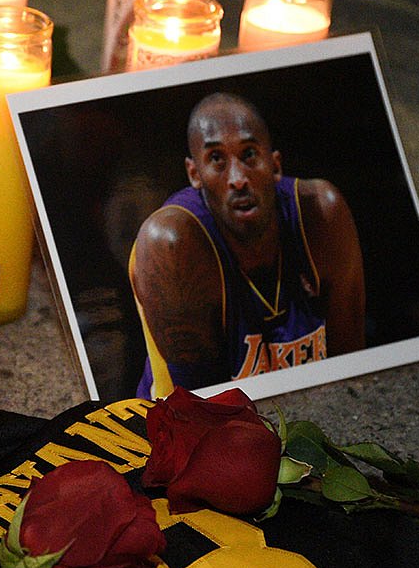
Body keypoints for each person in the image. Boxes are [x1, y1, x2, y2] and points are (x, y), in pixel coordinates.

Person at [129, 92, 365, 399]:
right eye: (217, 159)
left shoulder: (321, 213)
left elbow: (355, 373)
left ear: (275, 164)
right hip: (189, 429)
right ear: (194, 174)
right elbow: (201, 412)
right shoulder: (173, 243)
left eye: (249, 154)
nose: (238, 179)